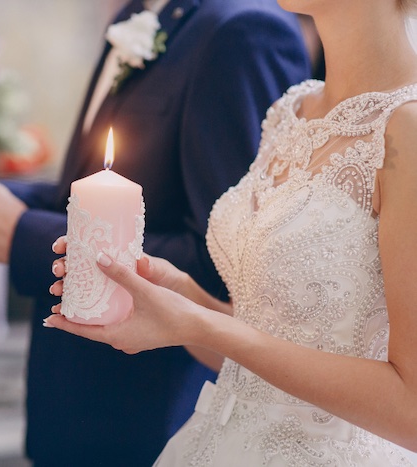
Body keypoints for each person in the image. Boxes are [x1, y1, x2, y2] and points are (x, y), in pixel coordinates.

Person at [0, 0, 310, 464]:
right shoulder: (134, 15)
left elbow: (224, 265)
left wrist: (19, 233)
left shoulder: (243, 31)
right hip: (72, 394)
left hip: (152, 413)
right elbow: (96, 194)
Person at [46, 0, 417, 464]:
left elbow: (411, 411)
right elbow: (257, 360)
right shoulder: (291, 110)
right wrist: (184, 303)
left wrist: (204, 323)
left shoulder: (409, 129)